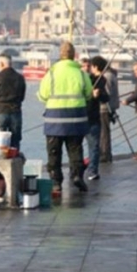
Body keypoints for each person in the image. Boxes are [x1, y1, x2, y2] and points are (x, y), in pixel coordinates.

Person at [37, 41, 92, 193]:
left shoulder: (51, 73)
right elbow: (88, 94)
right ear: (74, 55)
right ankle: (77, 176)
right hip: (77, 118)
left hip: (54, 119)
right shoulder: (81, 73)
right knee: (75, 150)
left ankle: (56, 182)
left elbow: (43, 95)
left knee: (54, 152)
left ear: (60, 55)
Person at [0, 53, 26, 149]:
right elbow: (22, 97)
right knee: (15, 141)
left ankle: (0, 160)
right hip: (16, 112)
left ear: (2, 64)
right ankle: (14, 160)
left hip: (0, 112)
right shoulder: (20, 78)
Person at [80, 57, 101, 178]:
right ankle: (77, 169)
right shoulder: (77, 81)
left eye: (88, 66)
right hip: (81, 117)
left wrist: (98, 94)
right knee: (76, 147)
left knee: (94, 146)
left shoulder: (96, 80)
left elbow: (105, 97)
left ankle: (92, 170)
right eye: (84, 66)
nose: (86, 68)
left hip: (92, 117)